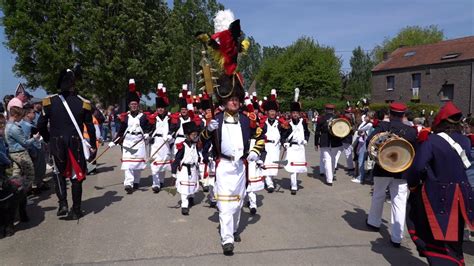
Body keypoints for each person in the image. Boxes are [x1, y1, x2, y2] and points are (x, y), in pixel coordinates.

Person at [201, 73, 265, 255]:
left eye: (237, 99)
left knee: (237, 203)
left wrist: (255, 151)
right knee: (225, 204)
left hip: (240, 167)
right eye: (231, 99)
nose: (234, 102)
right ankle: (227, 238)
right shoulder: (216, 119)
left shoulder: (247, 119)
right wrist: (208, 130)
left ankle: (234, 229)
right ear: (224, 100)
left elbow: (260, 136)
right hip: (223, 166)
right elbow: (201, 142)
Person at [406, 102, 474, 265]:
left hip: (437, 195)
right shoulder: (465, 141)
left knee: (434, 234)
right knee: (455, 235)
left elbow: (417, 166)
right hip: (461, 195)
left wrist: (413, 185)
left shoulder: (432, 141)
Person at [38, 67, 97, 220]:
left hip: (56, 143)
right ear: (73, 83)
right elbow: (90, 127)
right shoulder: (83, 103)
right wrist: (93, 145)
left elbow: (41, 125)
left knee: (58, 173)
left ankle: (63, 203)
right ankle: (76, 209)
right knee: (76, 176)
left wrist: (47, 139)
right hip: (75, 143)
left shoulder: (49, 102)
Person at [365, 102, 417, 247]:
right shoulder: (411, 131)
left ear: (391, 113)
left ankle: (374, 222)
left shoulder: (383, 126)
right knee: (399, 202)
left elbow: (370, 142)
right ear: (403, 115)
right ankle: (397, 237)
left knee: (378, 195)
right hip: (402, 169)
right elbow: (415, 151)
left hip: (382, 167)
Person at [108, 79, 150, 194]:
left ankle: (136, 181)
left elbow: (148, 128)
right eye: (132, 104)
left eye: (135, 104)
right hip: (128, 142)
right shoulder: (125, 117)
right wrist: (114, 141)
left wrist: (147, 134)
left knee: (137, 163)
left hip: (139, 141)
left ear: (138, 105)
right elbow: (121, 131)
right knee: (128, 163)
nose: (134, 106)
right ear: (129, 106)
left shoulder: (143, 117)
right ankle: (128, 183)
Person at [261, 89, 290, 193]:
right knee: (267, 165)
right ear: (267, 112)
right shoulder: (263, 123)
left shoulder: (279, 123)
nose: (272, 113)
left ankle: (269, 180)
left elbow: (283, 134)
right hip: (266, 146)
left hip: (276, 147)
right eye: (271, 111)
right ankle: (269, 183)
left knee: (273, 167)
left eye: (274, 111)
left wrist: (284, 142)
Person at [171, 121, 201, 215]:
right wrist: (174, 172)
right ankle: (184, 205)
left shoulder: (195, 145)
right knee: (184, 187)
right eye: (193, 135)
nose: (195, 136)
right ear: (187, 135)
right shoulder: (182, 146)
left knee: (192, 185)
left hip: (193, 169)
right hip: (184, 169)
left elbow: (197, 156)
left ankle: (191, 197)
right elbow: (177, 159)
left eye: (196, 134)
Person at [283, 88, 310, 193]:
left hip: (300, 147)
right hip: (291, 147)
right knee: (292, 168)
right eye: (293, 112)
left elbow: (307, 133)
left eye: (296, 113)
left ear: (299, 114)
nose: (295, 114)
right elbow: (284, 135)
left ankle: (293, 182)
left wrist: (306, 140)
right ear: (291, 113)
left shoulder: (303, 122)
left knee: (298, 168)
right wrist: (284, 142)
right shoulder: (287, 123)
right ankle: (294, 186)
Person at [149, 84, 173, 193]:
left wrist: (170, 135)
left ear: (165, 108)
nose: (160, 109)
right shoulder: (153, 118)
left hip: (166, 142)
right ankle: (156, 184)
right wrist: (147, 134)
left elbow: (174, 128)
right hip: (155, 143)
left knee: (163, 163)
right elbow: (148, 128)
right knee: (154, 163)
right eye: (158, 108)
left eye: (162, 108)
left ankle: (161, 180)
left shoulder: (170, 118)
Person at [20, 104, 48, 193]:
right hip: (33, 148)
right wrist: (32, 151)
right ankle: (33, 186)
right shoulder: (26, 126)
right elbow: (26, 139)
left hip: (38, 146)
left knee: (41, 167)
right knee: (35, 168)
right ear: (28, 114)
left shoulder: (31, 124)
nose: (35, 114)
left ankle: (39, 183)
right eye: (33, 112)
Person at [314, 103, 342, 186]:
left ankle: (329, 179)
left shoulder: (321, 119)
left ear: (325, 110)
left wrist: (316, 143)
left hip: (324, 141)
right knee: (333, 159)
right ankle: (331, 176)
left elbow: (317, 132)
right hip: (335, 141)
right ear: (333, 110)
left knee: (327, 160)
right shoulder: (337, 118)